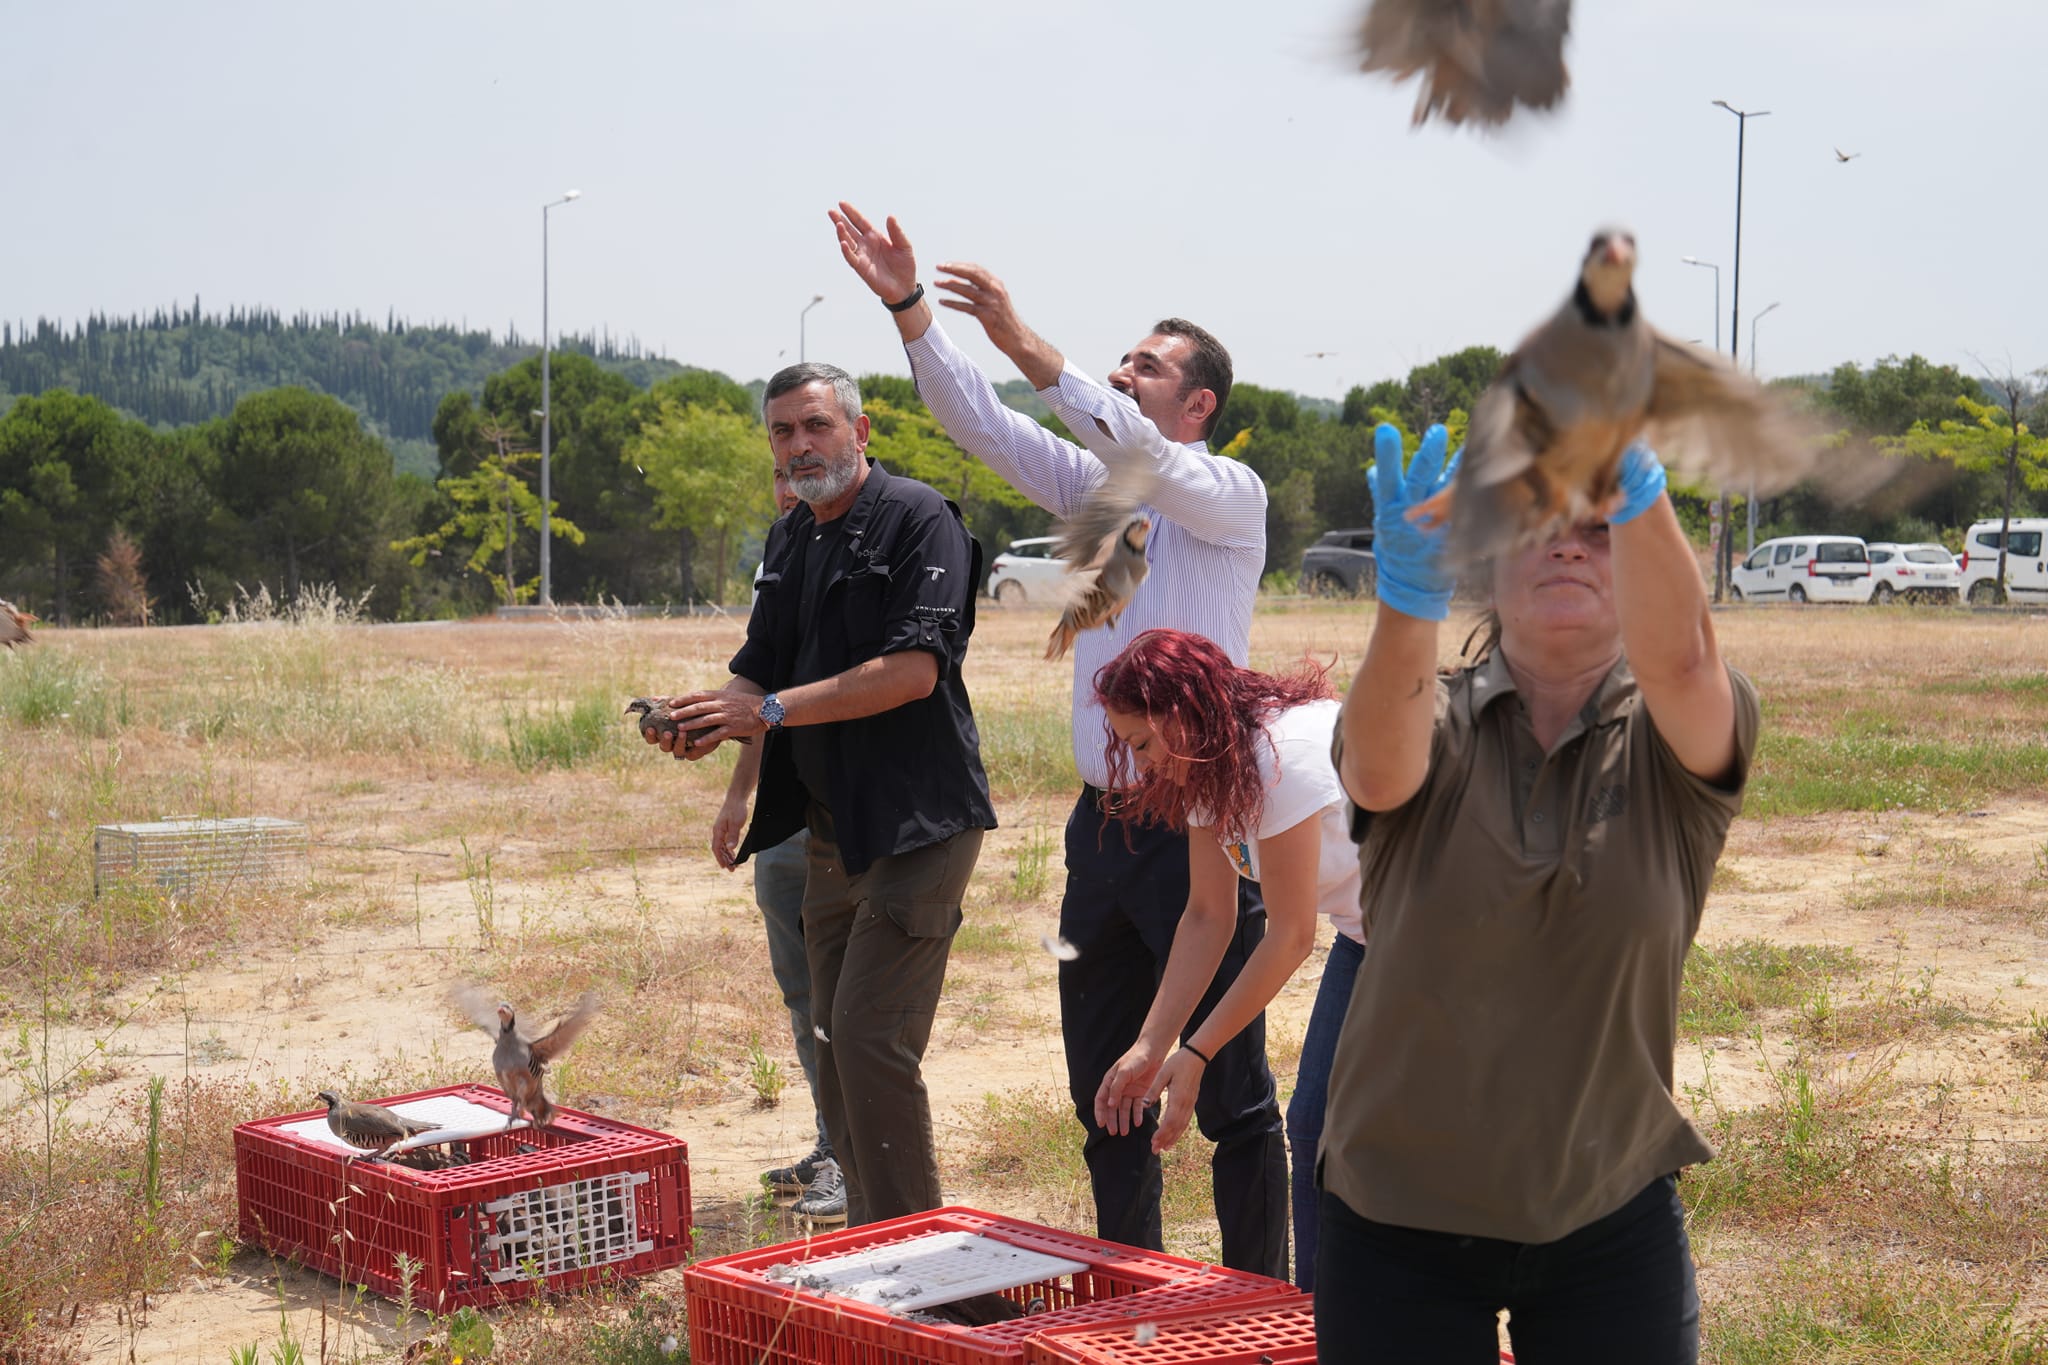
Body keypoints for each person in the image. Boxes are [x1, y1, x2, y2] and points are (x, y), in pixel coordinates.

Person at [832, 203, 1286, 1278]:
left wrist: (1030, 343)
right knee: (1107, 1089)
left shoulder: (1225, 498)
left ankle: (1261, 1299)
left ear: (1197, 403)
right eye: (1119, 359)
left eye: (1147, 365)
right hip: (1102, 833)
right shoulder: (1101, 499)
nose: (1124, 375)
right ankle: (1133, 1292)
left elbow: (1125, 441)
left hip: (1197, 825)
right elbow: (979, 424)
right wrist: (909, 309)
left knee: (1229, 1096)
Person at [1317, 427, 1759, 1362]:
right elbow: (1379, 770)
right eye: (1537, 526)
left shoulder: (1677, 742)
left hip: (1607, 1208)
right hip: (1395, 1216)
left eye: (1598, 529)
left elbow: (1681, 661)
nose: (1566, 545)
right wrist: (1406, 601)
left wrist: (1635, 481)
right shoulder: (1420, 713)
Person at [656, 362, 997, 1226]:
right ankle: (871, 1237)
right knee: (834, 1039)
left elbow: (915, 672)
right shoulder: (793, 537)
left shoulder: (921, 519)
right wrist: (702, 719)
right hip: (829, 830)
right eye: (783, 432)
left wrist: (764, 709)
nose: (800, 446)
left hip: (918, 823)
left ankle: (921, 1260)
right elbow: (760, 663)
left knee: (872, 1038)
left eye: (815, 426)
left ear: (860, 428)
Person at [1085, 629, 1363, 1293]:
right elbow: (1209, 915)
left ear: (1184, 709)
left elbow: (1291, 935)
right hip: (1371, 936)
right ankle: (1328, 1323)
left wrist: (1199, 1051)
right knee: (1322, 1126)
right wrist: (1152, 1046)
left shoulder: (1281, 757)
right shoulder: (1210, 766)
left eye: (1146, 742)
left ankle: (1343, 1322)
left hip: (1448, 933)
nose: (1146, 765)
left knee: (1344, 1129)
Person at [710, 455, 842, 1222]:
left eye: (808, 464)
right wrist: (739, 796)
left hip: (851, 816)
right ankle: (833, 1143)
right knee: (804, 993)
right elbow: (759, 691)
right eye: (778, 470)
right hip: (786, 819)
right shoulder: (782, 548)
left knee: (850, 999)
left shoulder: (879, 537)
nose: (789, 487)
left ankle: (858, 1158)